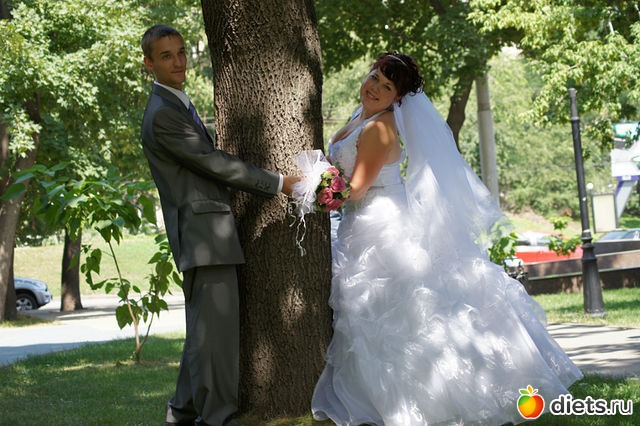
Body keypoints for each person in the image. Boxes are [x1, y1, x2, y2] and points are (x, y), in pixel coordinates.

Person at [310, 52, 583, 425]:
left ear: (397, 99)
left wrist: (310, 187)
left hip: (382, 226)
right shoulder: (361, 117)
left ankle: (431, 401)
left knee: (395, 315)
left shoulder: (379, 129)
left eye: (386, 86)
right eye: (374, 77)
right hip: (362, 224)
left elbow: (354, 190)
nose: (374, 87)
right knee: (383, 317)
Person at [140, 25, 298, 426]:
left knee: (204, 332)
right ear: (148, 63)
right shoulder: (163, 114)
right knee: (215, 337)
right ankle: (217, 418)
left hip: (208, 233)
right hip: (203, 235)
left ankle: (181, 410)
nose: (178, 61)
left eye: (180, 52)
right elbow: (212, 162)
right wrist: (278, 183)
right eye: (166, 56)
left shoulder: (175, 103)